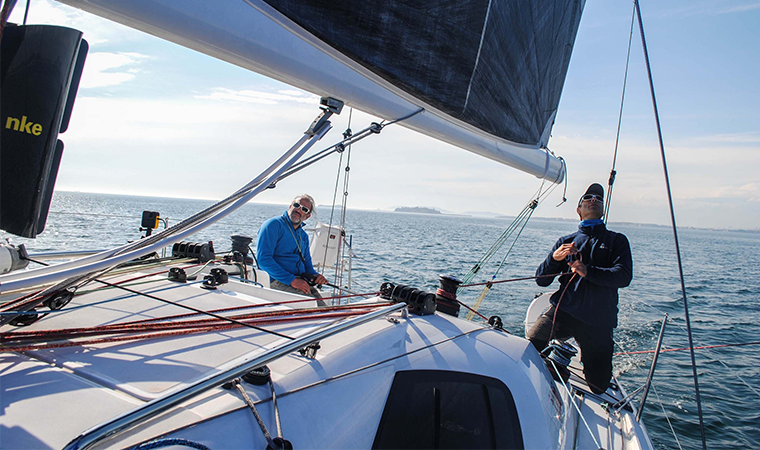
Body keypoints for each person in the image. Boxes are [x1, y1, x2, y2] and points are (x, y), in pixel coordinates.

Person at [527, 183, 633, 394]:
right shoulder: (566, 242)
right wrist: (554, 258)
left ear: (603, 210)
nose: (593, 200)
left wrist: (588, 271)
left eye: (598, 199)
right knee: (528, 350)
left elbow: (623, 276)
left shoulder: (617, 241)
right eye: (588, 198)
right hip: (563, 312)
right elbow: (541, 280)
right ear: (579, 210)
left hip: (598, 321)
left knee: (598, 386)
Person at [256, 194, 328, 299]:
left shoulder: (303, 236)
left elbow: (308, 266)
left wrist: (316, 276)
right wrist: (291, 280)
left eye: (304, 209)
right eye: (296, 205)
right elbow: (263, 260)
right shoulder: (273, 225)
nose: (298, 210)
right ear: (290, 206)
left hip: (298, 281)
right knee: (312, 308)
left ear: (307, 216)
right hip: (277, 281)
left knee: (325, 310)